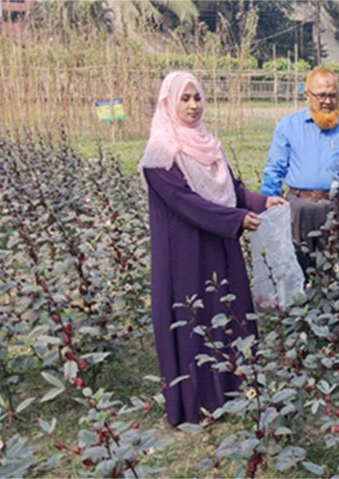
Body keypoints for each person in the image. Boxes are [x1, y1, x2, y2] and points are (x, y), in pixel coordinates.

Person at [139, 71, 284, 426]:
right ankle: (197, 404)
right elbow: (185, 203)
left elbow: (232, 190)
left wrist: (261, 202)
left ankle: (234, 393)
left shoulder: (208, 145)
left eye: (197, 98)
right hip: (185, 255)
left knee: (228, 313)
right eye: (185, 98)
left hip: (218, 246)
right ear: (169, 103)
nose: (193, 105)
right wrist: (236, 219)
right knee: (195, 321)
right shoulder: (160, 153)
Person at [261, 67, 339, 276]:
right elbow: (274, 169)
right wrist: (268, 206)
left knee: (337, 277)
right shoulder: (288, 126)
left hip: (336, 210)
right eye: (321, 95)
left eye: (333, 95)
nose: (327, 101)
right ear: (307, 95)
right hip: (297, 209)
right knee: (293, 274)